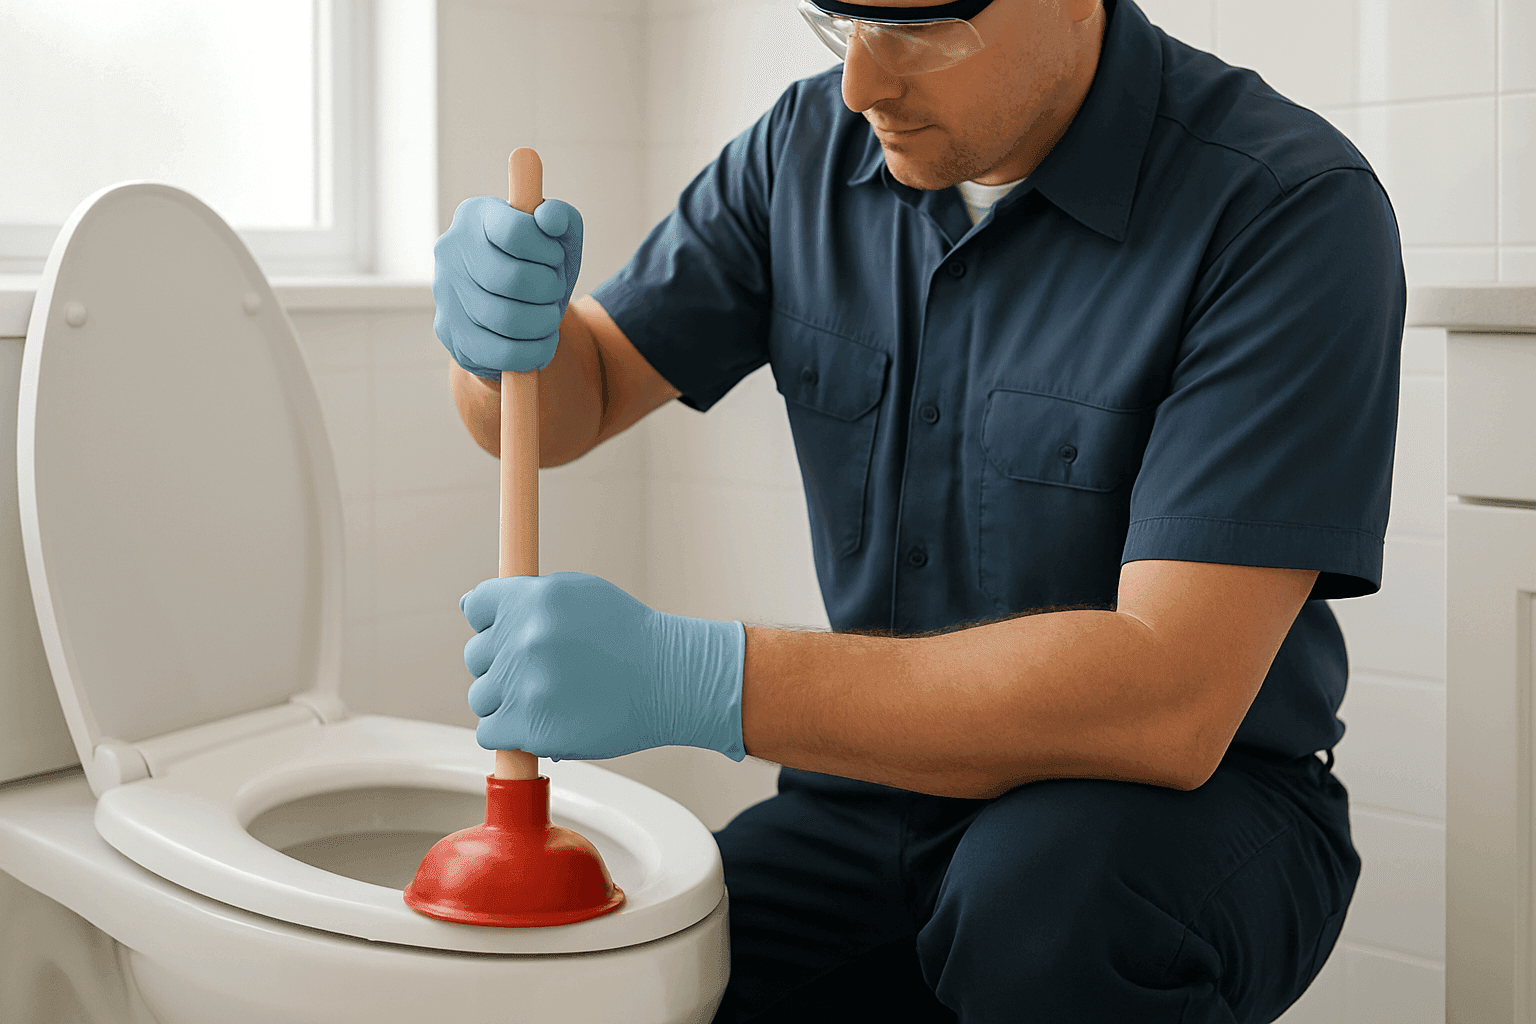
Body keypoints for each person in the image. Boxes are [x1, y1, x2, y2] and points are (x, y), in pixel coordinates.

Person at [432, 0, 1405, 1019]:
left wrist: (704, 676)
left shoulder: (1284, 207)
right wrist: (496, 345)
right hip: (877, 789)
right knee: (659, 966)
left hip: (1179, 808)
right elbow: (569, 402)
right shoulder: (802, 151)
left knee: (1039, 914)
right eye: (834, 21)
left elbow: (1170, 699)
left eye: (917, 29)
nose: (862, 83)